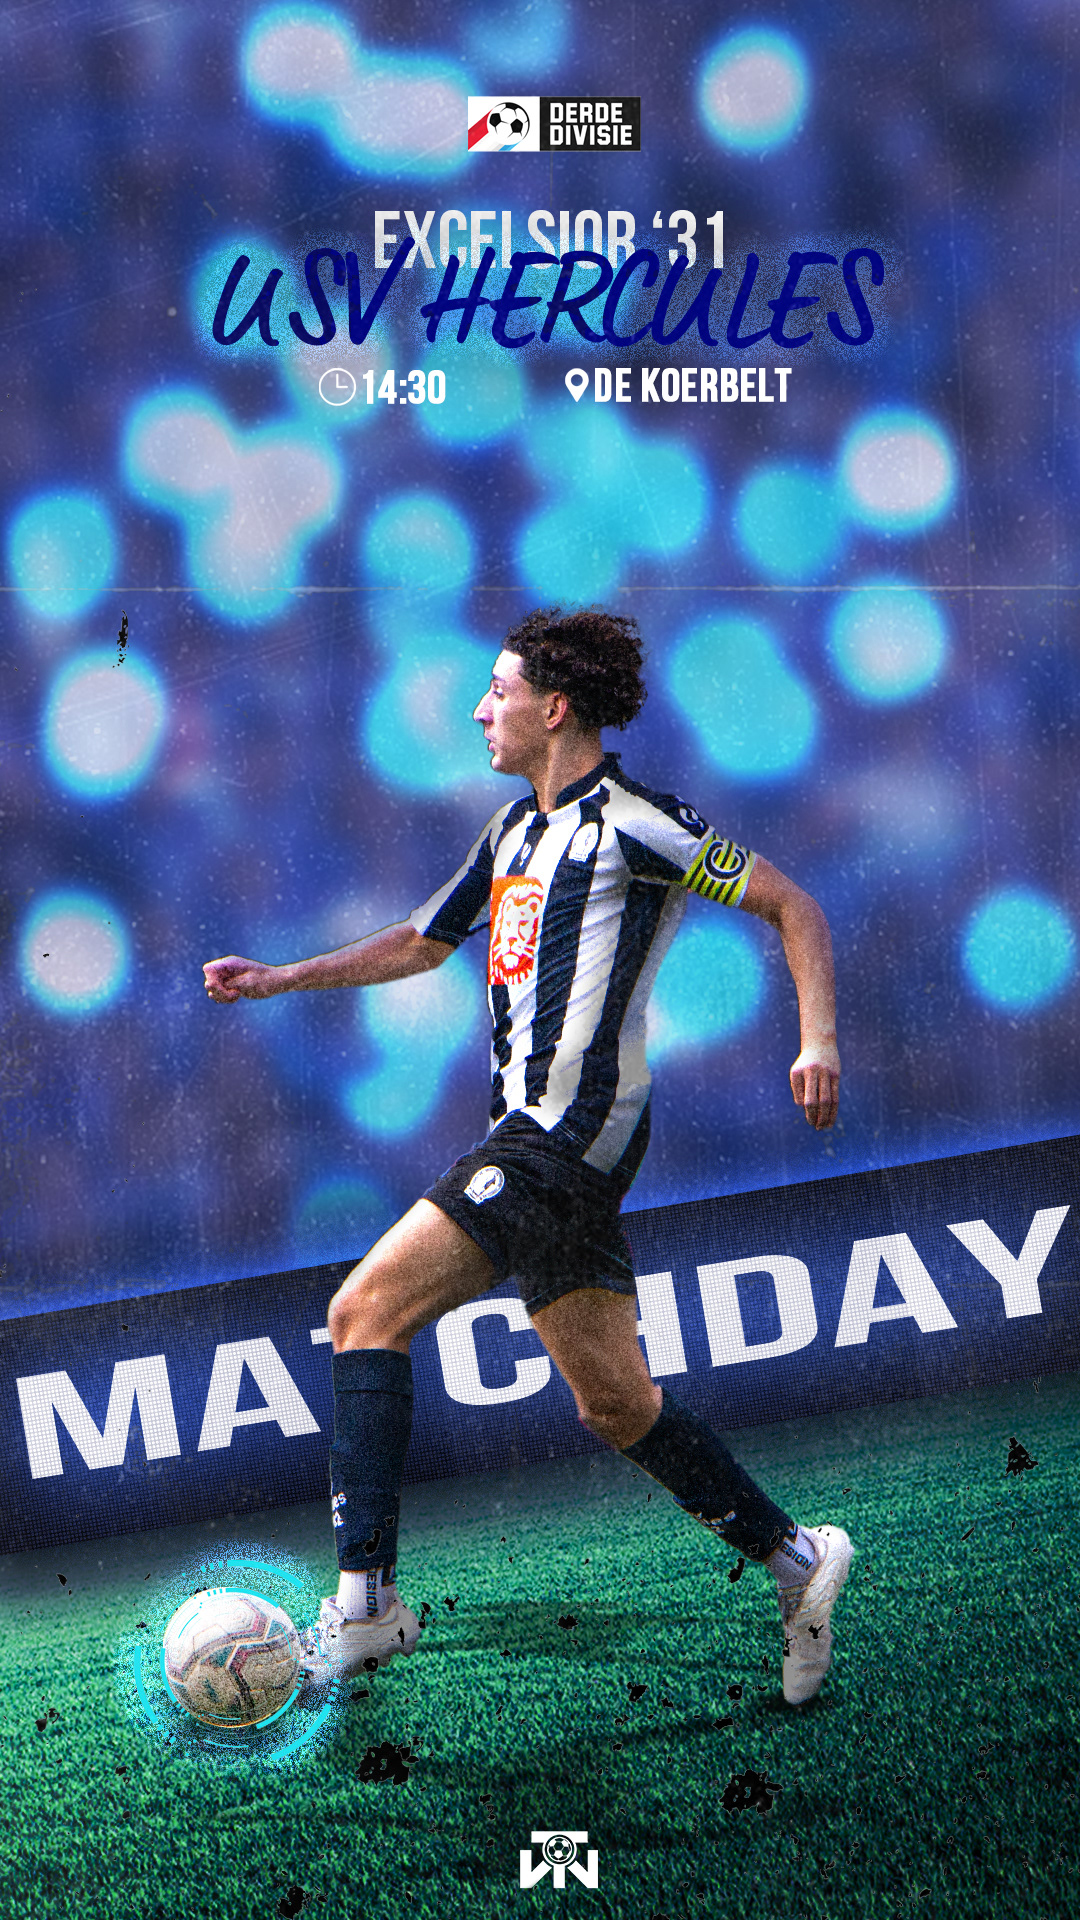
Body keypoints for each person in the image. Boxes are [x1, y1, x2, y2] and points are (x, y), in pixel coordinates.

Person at [203, 606, 851, 1708]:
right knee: (617, 1406)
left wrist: (818, 1040)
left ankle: (365, 1607)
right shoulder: (510, 833)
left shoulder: (640, 824)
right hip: (543, 1138)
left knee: (365, 1311)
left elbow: (793, 906)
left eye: (496, 692)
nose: (478, 711)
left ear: (555, 709)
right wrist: (281, 978)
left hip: (566, 1133)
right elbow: (423, 942)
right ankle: (799, 1561)